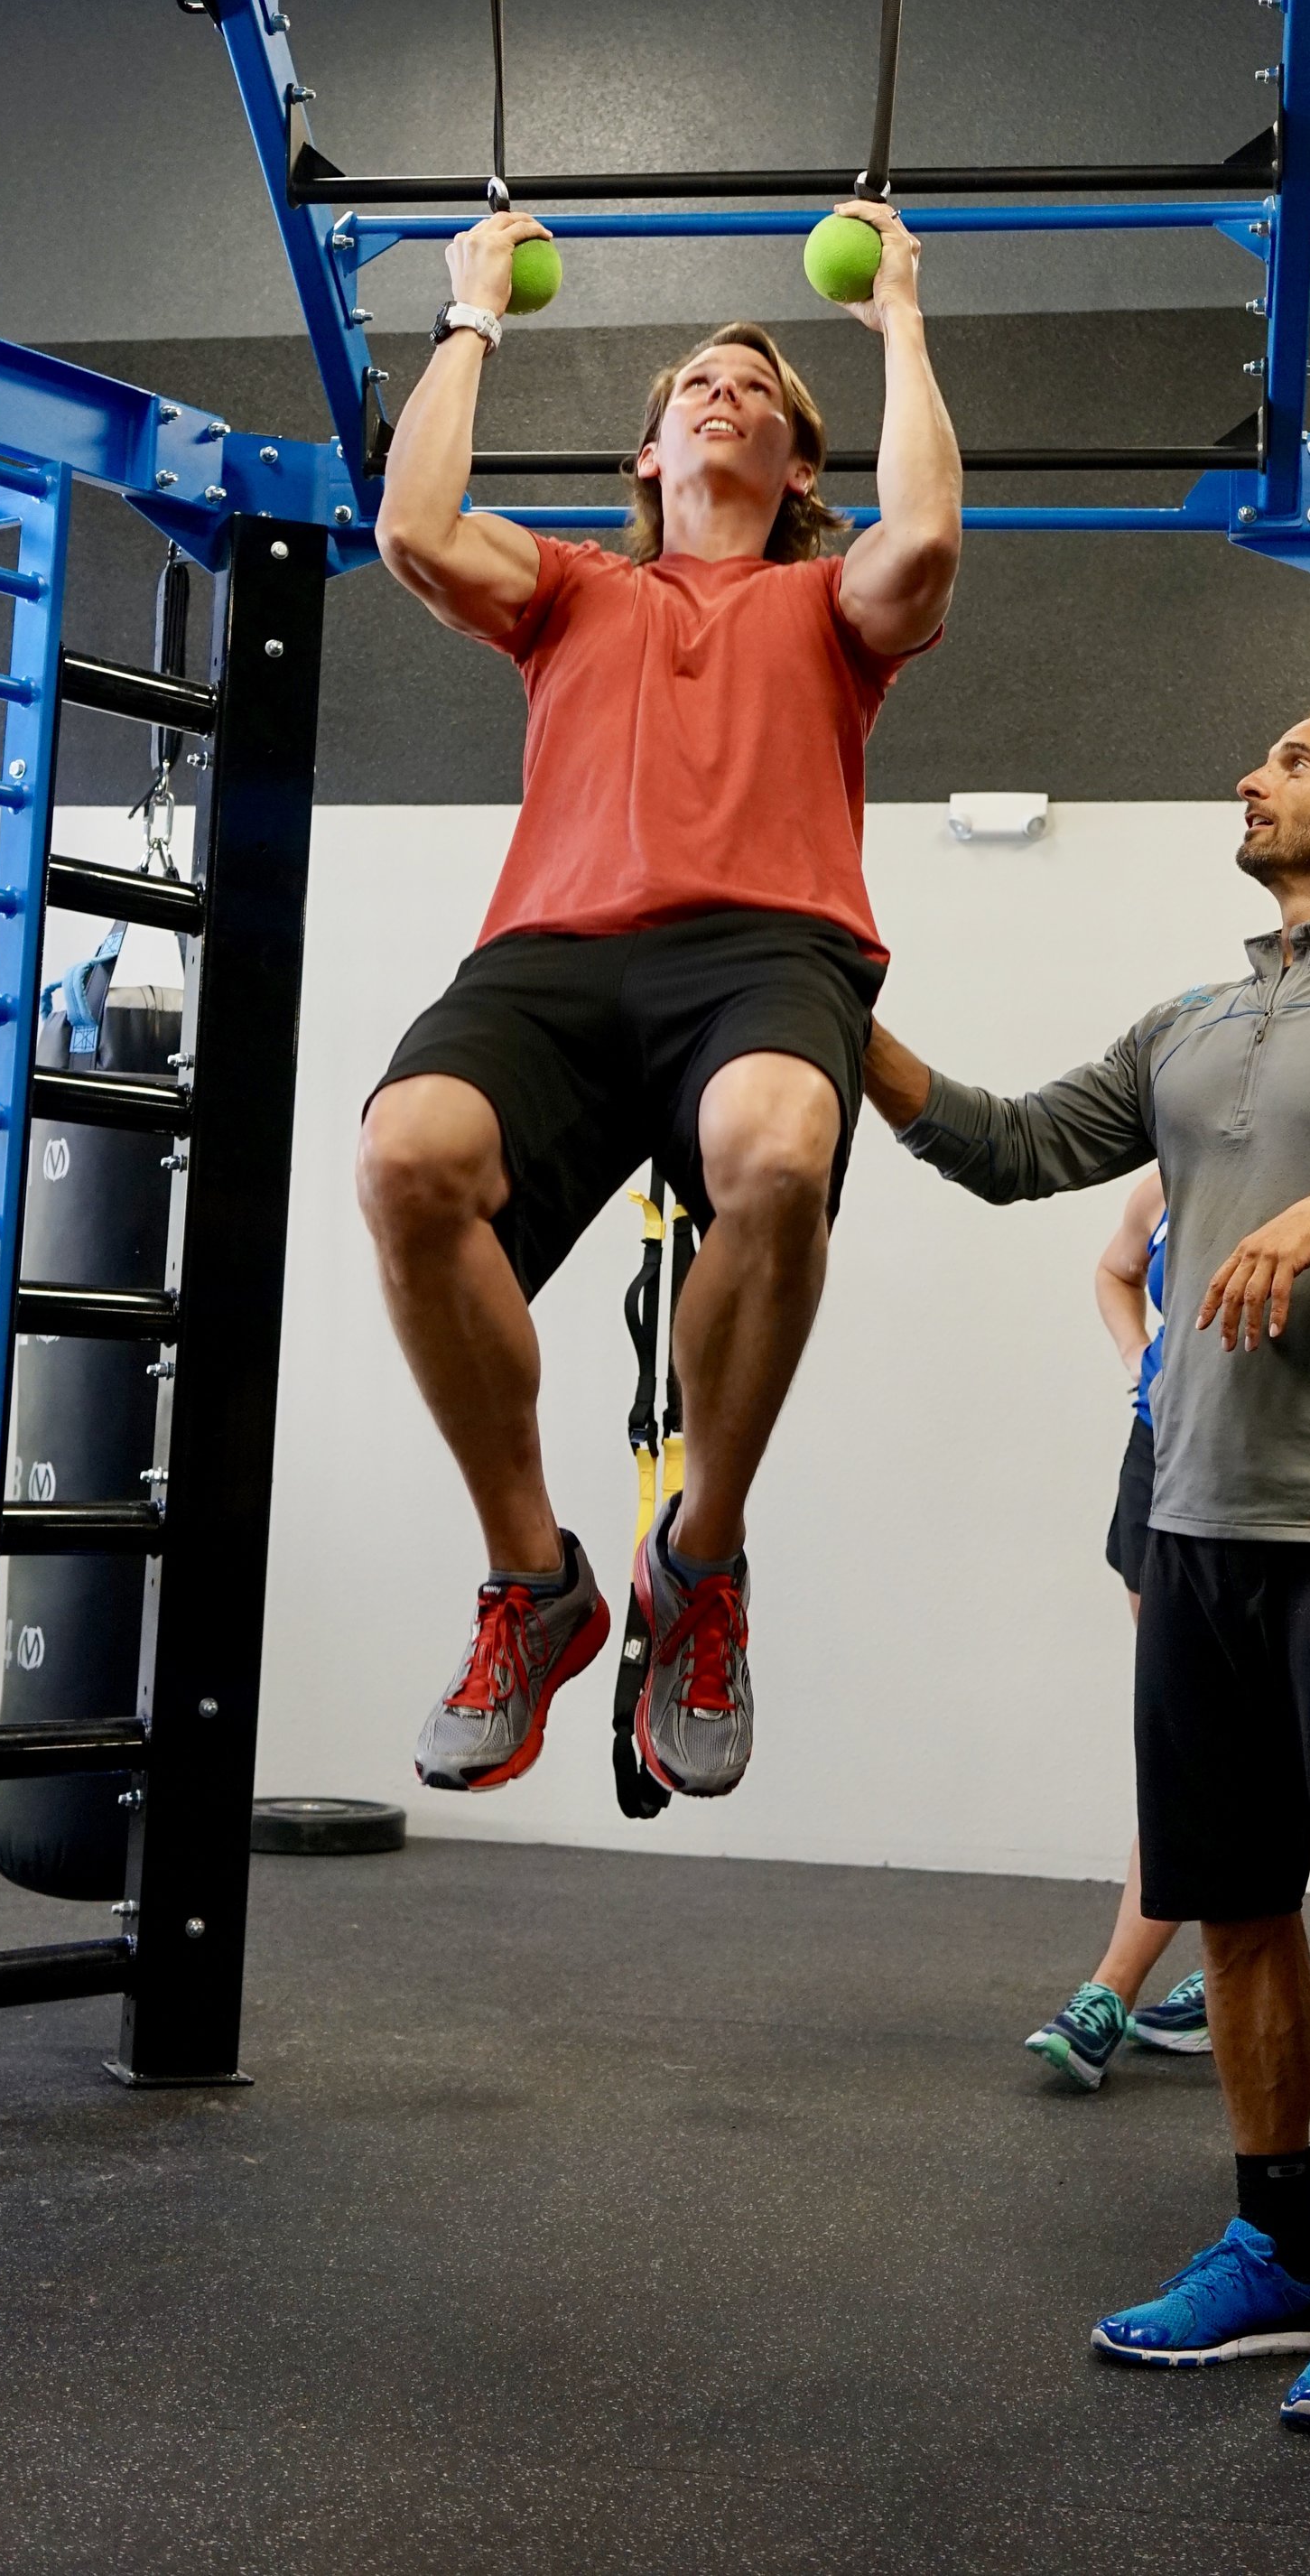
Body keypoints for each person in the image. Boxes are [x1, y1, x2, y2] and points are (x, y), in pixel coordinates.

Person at [864, 706, 1310, 2434]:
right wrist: (831, 1011)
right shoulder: (1192, 1023)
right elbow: (1007, 1146)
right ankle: (1272, 2241)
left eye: (1287, 760)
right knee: (1231, 1902)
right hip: (1197, 1523)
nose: (1248, 777)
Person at [358, 200, 961, 1800]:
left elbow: (932, 545)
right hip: (552, 952)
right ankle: (534, 1580)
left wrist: (897, 317)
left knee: (776, 1152)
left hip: (766, 948)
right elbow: (412, 526)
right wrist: (471, 309)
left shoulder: (829, 611)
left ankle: (699, 1563)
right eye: (700, 381)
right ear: (643, 456)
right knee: (406, 1154)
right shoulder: (569, 592)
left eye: (763, 391)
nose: (729, 391)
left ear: (801, 470)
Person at [1025, 1162, 1212, 2088]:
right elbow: (1114, 1271)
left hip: (1259, 1462)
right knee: (1190, 1724)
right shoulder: (1162, 1180)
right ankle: (1228, 1965)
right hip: (1159, 1454)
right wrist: (1141, 1355)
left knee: (1215, 1735)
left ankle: (1111, 1988)